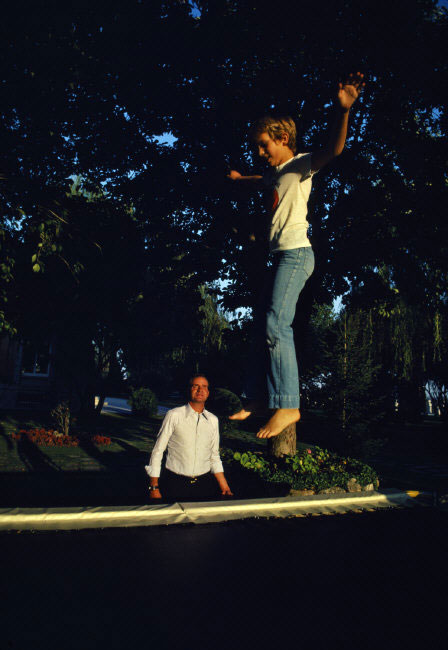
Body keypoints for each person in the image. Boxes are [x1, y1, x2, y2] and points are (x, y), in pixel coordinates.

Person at [227, 73, 365, 439]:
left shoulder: (302, 164)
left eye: (263, 146)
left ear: (282, 139)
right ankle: (256, 398)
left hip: (297, 255)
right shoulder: (275, 173)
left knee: (276, 325)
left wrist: (343, 111)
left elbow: (334, 149)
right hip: (280, 258)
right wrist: (241, 179)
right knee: (262, 328)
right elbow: (262, 181)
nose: (260, 153)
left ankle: (288, 405)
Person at [145, 375, 233, 501]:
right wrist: (154, 487)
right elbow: (158, 451)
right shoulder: (174, 415)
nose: (200, 390)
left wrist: (224, 487)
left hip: (204, 485)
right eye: (195, 386)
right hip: (175, 484)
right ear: (189, 390)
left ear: (208, 392)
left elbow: (214, 456)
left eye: (204, 387)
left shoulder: (213, 420)